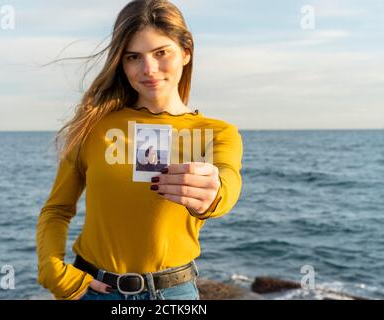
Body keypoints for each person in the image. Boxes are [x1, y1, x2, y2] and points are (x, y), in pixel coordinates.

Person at [36, 0, 243, 300]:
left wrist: (214, 196)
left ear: (186, 52)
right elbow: (56, 210)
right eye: (134, 56)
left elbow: (227, 183)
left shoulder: (216, 133)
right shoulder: (93, 126)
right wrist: (54, 272)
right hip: (94, 290)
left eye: (161, 53)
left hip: (174, 294)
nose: (149, 69)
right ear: (121, 62)